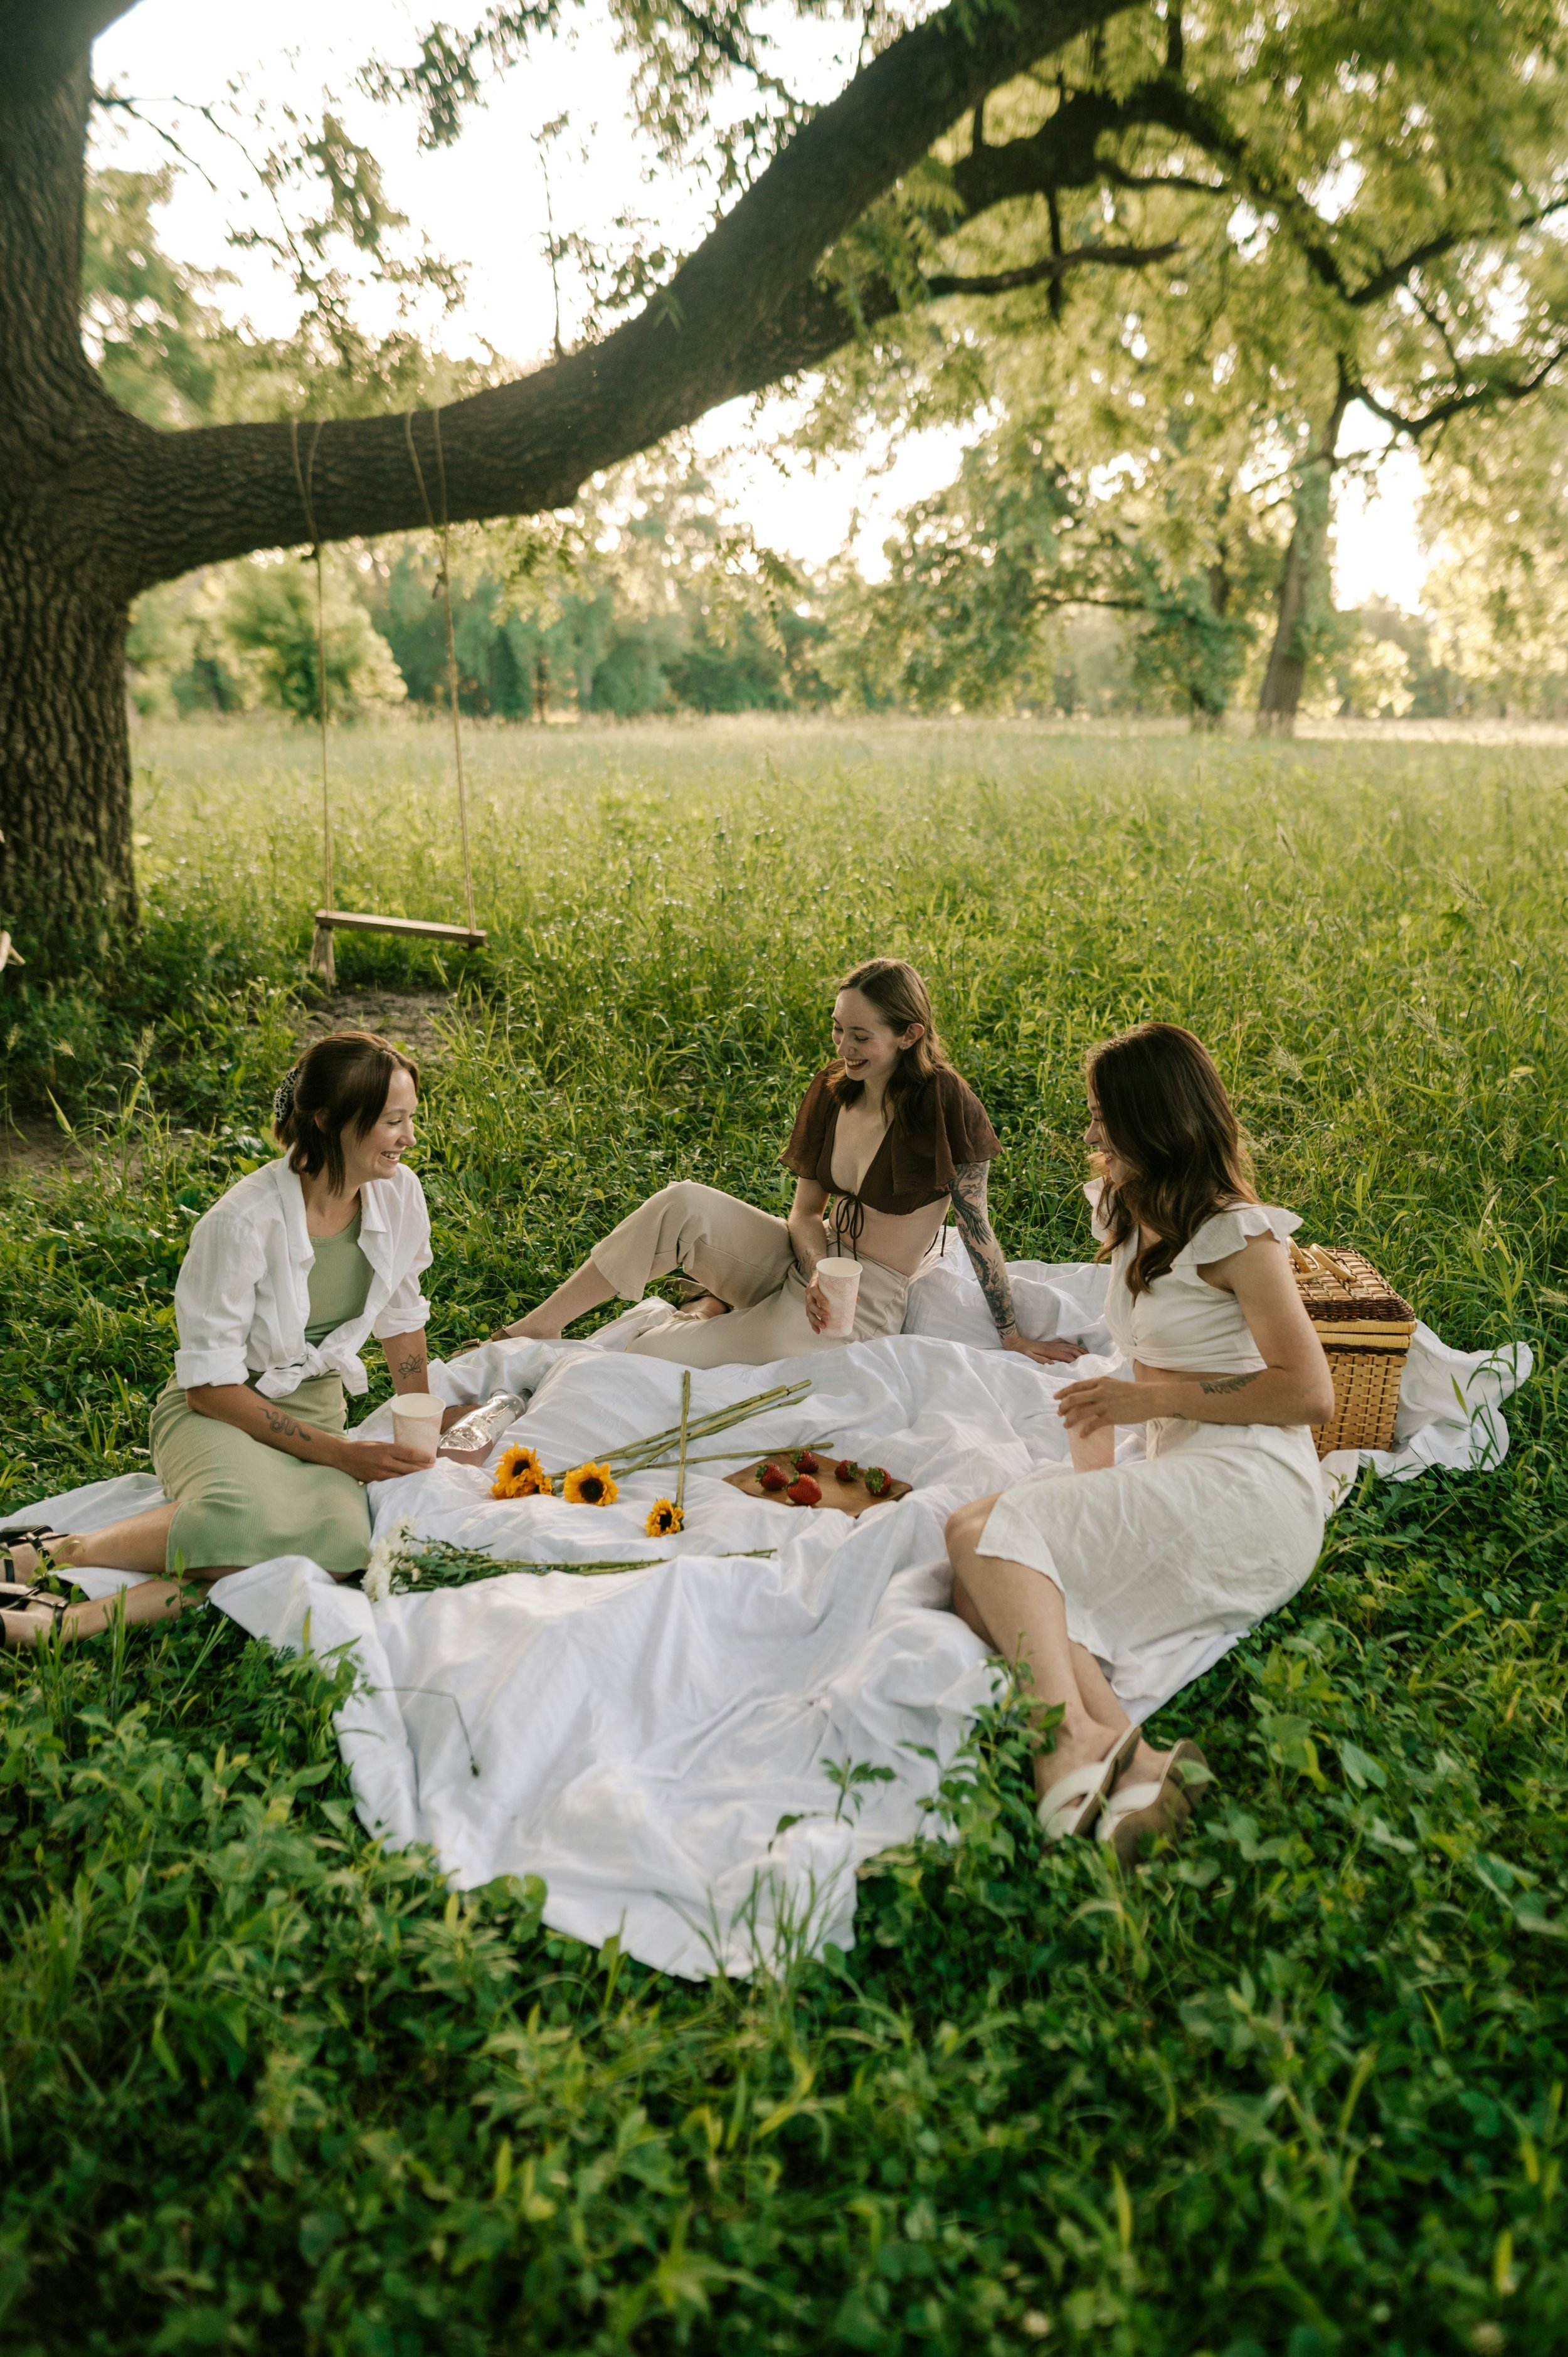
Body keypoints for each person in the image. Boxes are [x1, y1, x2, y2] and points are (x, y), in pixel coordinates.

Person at [943, 1022, 1336, 1862]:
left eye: (1102, 1117)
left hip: (1251, 1487)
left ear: (1155, 1120)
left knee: (975, 1533)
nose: (1090, 1134)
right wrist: (1090, 1462)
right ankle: (1133, 1756)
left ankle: (1064, 1756)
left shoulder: (1240, 1235)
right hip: (1182, 1467)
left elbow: (1309, 1393)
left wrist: (1144, 1399)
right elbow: (1132, 1387)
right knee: (989, 1593)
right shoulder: (1126, 1207)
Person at [1, 1032, 443, 1648]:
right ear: (327, 1119)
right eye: (394, 1121)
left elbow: (402, 1316)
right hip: (217, 1410)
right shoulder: (241, 1221)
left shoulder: (400, 1195)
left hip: (313, 1407)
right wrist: (338, 1455)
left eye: (409, 1118)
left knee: (340, 1551)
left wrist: (419, 1430)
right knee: (244, 1522)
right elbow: (209, 1386)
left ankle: (59, 1604)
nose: (409, 1137)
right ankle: (65, 1564)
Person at [495, 958, 1084, 1369]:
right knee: (683, 1203)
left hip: (865, 1300)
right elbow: (805, 1214)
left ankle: (711, 1311)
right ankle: (544, 1323)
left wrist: (1012, 1336)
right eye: (837, 1030)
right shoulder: (834, 1089)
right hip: (810, 1259)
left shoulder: (942, 1102)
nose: (843, 1049)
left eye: (861, 1036)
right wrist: (815, 1263)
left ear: (909, 1035)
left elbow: (978, 1227)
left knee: (649, 1358)